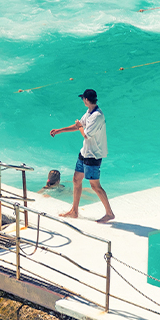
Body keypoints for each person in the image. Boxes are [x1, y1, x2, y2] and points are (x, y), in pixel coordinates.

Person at [48, 88, 115, 223]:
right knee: (76, 179)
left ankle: (109, 213)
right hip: (84, 152)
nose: (82, 100)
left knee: (95, 186)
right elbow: (78, 126)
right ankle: (74, 211)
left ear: (86, 99)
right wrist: (60, 130)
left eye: (83, 98)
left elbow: (86, 135)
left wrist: (79, 126)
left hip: (93, 155)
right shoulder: (89, 112)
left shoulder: (97, 116)